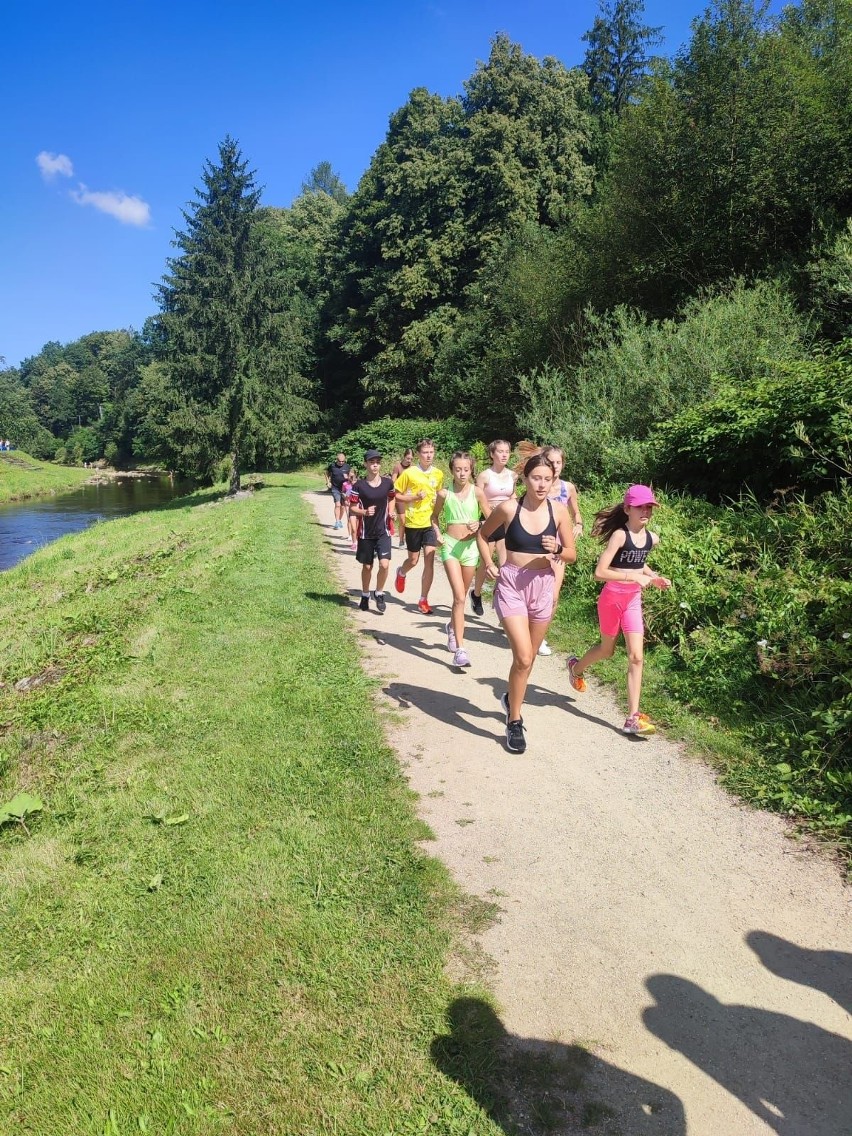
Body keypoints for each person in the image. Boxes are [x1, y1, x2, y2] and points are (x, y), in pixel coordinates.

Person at [476, 452, 576, 753]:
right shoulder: (509, 508)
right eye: (536, 478)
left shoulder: (559, 512)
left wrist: (558, 547)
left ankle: (511, 697)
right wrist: (489, 562)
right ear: (525, 478)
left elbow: (571, 554)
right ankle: (515, 721)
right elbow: (482, 535)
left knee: (528, 659)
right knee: (522, 656)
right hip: (511, 585)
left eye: (548, 479)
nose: (542, 484)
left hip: (542, 587)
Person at [567, 484, 672, 736]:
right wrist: (633, 578)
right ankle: (576, 668)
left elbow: (639, 561)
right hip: (611, 600)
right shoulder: (619, 536)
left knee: (637, 656)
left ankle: (633, 717)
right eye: (640, 507)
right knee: (607, 650)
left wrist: (653, 576)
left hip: (633, 601)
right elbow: (600, 572)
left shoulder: (651, 538)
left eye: (649, 507)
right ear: (627, 509)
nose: (646, 511)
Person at [431, 451, 490, 668]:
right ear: (451, 470)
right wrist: (437, 534)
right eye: (458, 469)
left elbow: (492, 518)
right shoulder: (444, 494)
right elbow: (434, 517)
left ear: (471, 470)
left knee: (462, 597)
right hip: (450, 547)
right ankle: (461, 650)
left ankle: (451, 627)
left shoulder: (478, 493)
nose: (462, 473)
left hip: (471, 548)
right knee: (458, 597)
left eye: (466, 469)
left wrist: (481, 524)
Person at [537, 445, 584, 656]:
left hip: (559, 548)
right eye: (551, 462)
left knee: (553, 596)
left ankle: (539, 636)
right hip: (535, 546)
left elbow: (576, 511)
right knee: (534, 592)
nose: (555, 467)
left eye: (559, 462)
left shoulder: (568, 488)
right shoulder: (538, 485)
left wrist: (579, 525)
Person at [394, 439, 444, 615]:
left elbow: (439, 494)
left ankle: (423, 599)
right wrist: (414, 497)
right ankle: (401, 572)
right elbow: (397, 495)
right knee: (413, 561)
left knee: (429, 559)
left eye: (431, 452)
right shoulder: (410, 473)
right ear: (418, 454)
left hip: (430, 522)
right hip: (413, 522)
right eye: (425, 452)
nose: (428, 455)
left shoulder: (438, 474)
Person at [469, 439, 517, 618]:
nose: (504, 455)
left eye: (507, 451)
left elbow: (513, 495)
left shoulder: (513, 475)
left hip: (506, 522)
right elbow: (476, 500)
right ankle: (476, 594)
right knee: (485, 563)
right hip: (488, 522)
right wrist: (478, 521)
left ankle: (502, 601)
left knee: (506, 565)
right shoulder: (484, 476)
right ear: (492, 454)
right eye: (500, 451)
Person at [349, 450, 395, 614]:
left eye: (377, 462)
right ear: (366, 464)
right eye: (371, 462)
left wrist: (391, 512)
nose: (375, 465)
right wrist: (364, 512)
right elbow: (352, 507)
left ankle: (379, 593)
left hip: (383, 531)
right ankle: (365, 594)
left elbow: (392, 497)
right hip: (365, 533)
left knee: (384, 564)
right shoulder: (358, 485)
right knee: (367, 567)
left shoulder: (388, 483)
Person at [391, 448, 414, 548]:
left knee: (411, 520)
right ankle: (401, 540)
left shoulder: (413, 468)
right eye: (408, 458)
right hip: (400, 497)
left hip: (410, 497)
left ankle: (411, 540)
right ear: (404, 456)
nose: (409, 460)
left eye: (411, 459)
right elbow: (393, 481)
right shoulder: (398, 467)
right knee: (402, 520)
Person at [326, 452, 351, 530]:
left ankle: (339, 520)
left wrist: (348, 478)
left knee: (343, 506)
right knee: (338, 504)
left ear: (345, 460)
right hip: (335, 488)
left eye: (342, 461)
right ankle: (337, 522)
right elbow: (327, 473)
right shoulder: (332, 466)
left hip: (346, 489)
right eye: (339, 461)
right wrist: (328, 481)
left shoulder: (347, 467)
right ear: (337, 460)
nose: (341, 463)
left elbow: (352, 478)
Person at [341, 467, 360, 551]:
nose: (354, 483)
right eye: (352, 481)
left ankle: (359, 542)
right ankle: (354, 543)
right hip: (352, 510)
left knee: (359, 527)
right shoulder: (349, 488)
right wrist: (346, 500)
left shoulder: (361, 488)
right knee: (353, 527)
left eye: (355, 481)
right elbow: (346, 496)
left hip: (360, 510)